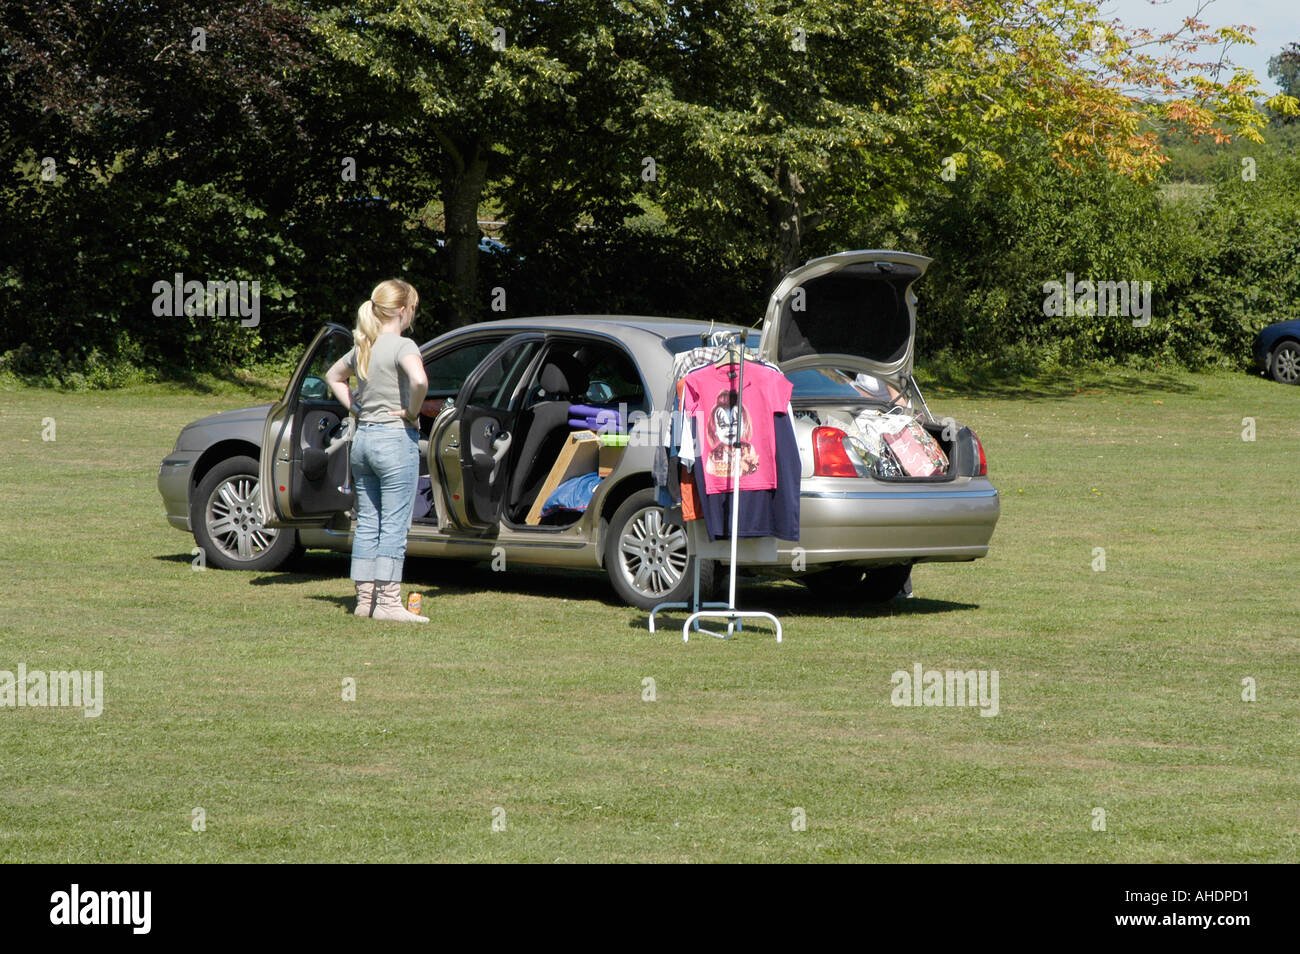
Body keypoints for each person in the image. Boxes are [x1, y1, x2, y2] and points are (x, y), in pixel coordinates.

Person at [324, 279, 429, 623]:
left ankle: (364, 600)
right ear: (402, 311)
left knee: (367, 522)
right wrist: (412, 412)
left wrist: (355, 407)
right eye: (412, 308)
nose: (412, 313)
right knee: (394, 525)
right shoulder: (403, 344)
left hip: (363, 440)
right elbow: (419, 381)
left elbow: (333, 376)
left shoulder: (363, 345)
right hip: (394, 440)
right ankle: (387, 602)